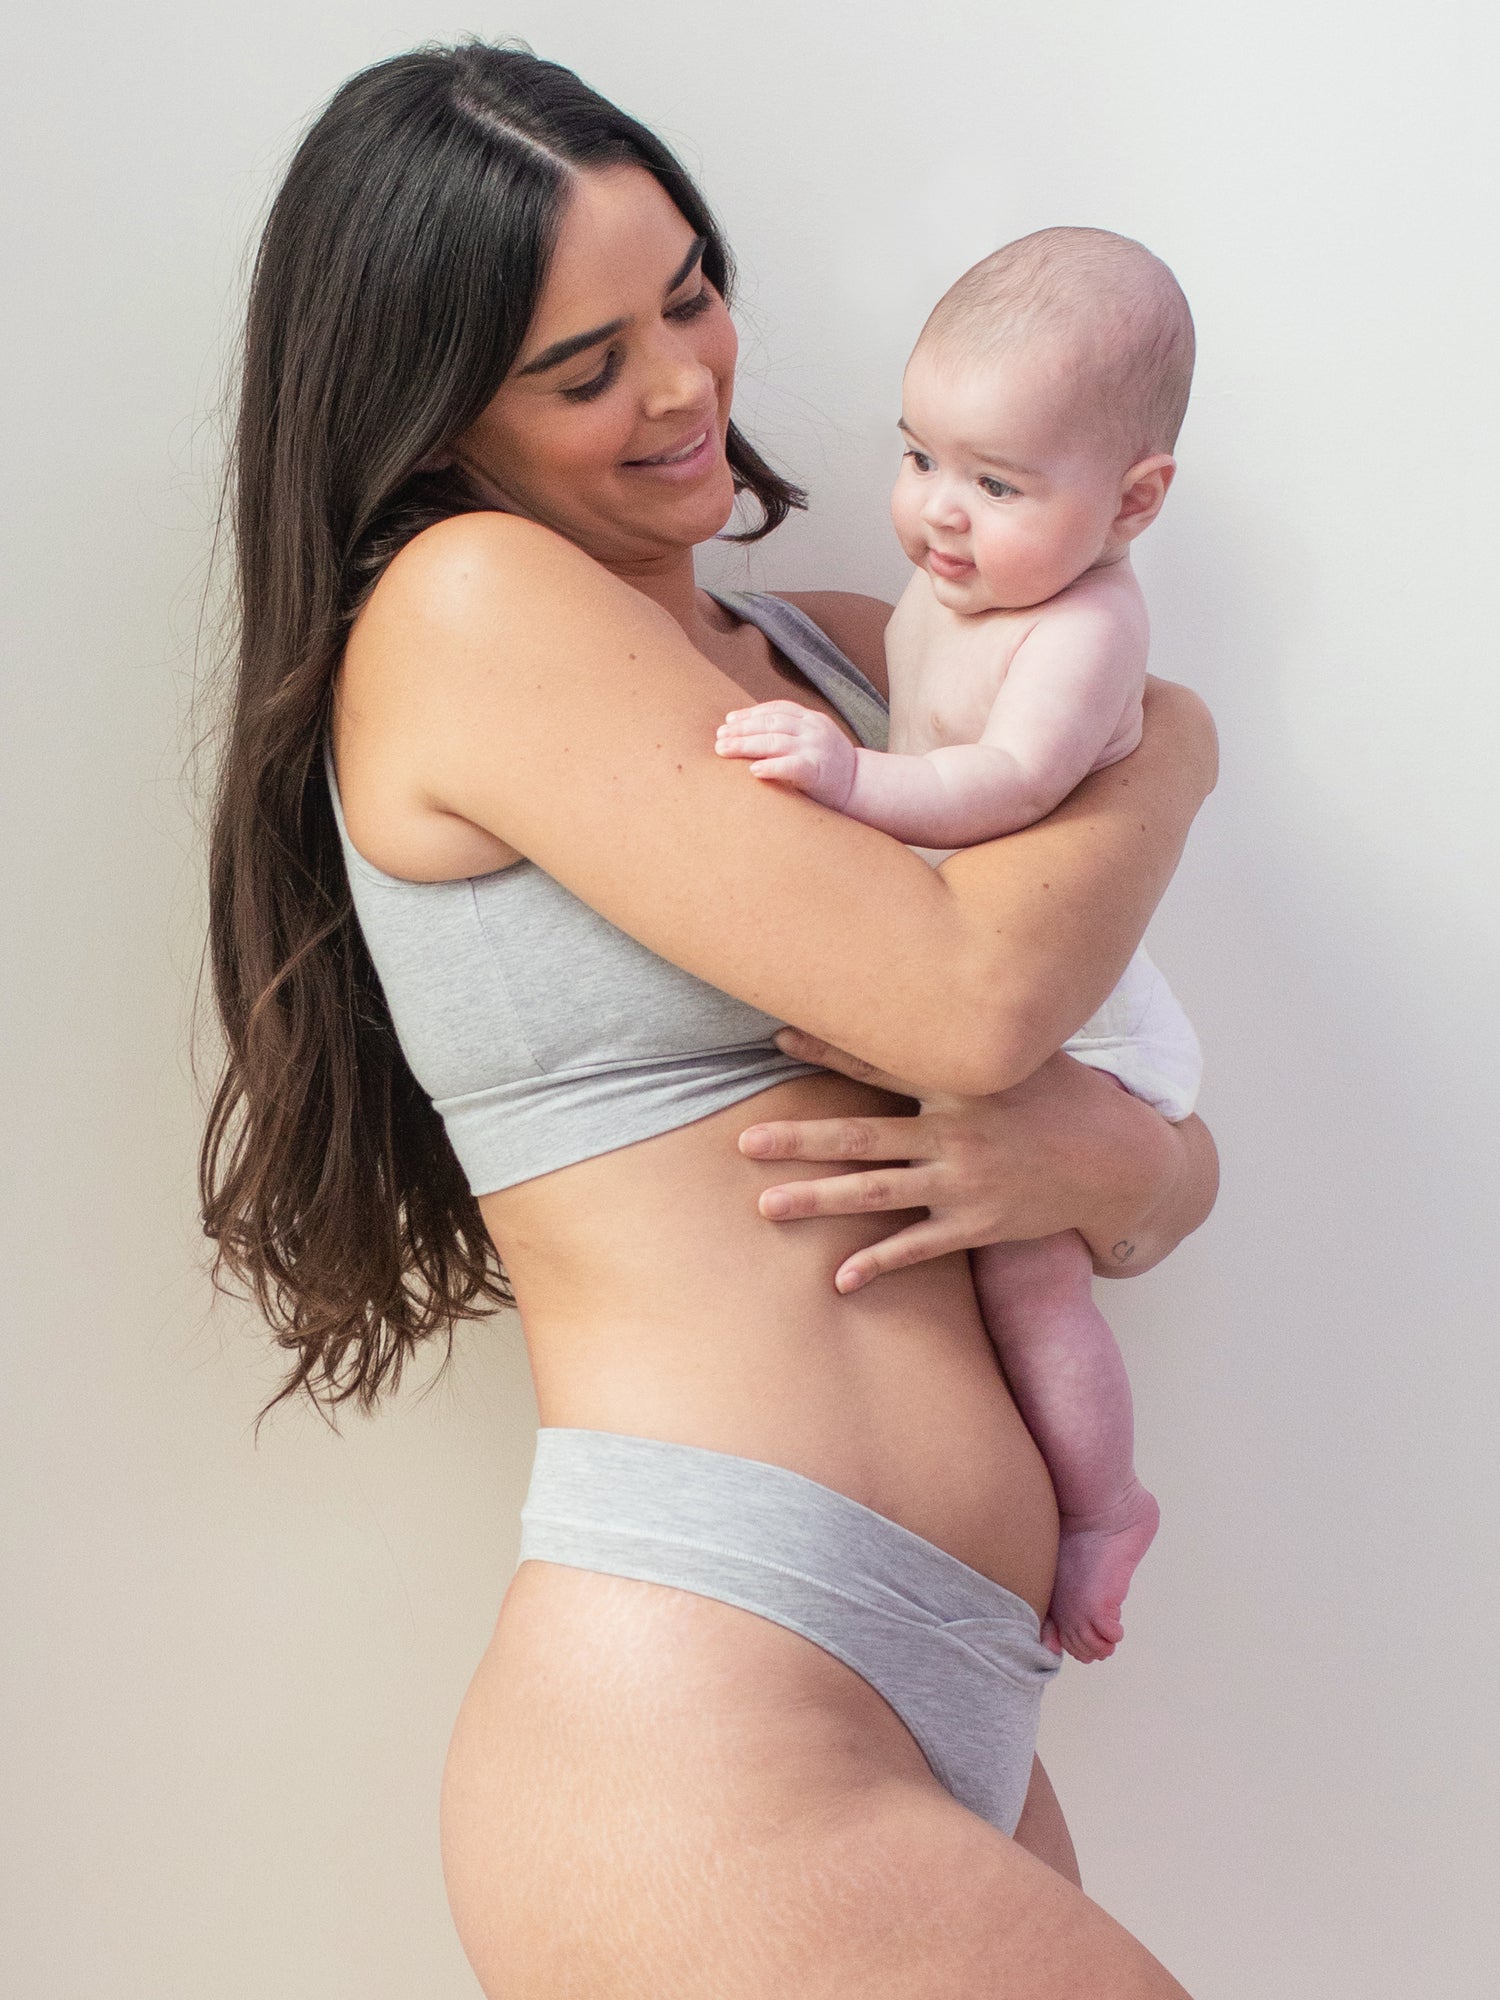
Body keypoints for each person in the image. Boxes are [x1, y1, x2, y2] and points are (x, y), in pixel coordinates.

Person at [199, 41, 1218, 1997]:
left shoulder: (837, 653)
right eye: (583, 366)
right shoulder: (468, 605)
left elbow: (1142, 1145)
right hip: (707, 1707)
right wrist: (1169, 744)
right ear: (430, 413)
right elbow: (975, 988)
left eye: (687, 292)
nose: (680, 384)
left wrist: (1131, 1161)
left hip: (940, 1695)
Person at [716, 226, 1203, 1664]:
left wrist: (848, 778)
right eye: (922, 456)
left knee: (1031, 1275)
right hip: (1000, 961)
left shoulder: (1088, 626)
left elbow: (1010, 786)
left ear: (1135, 500)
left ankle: (1108, 1504)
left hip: (1083, 1006)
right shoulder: (954, 589)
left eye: (997, 482)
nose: (939, 511)